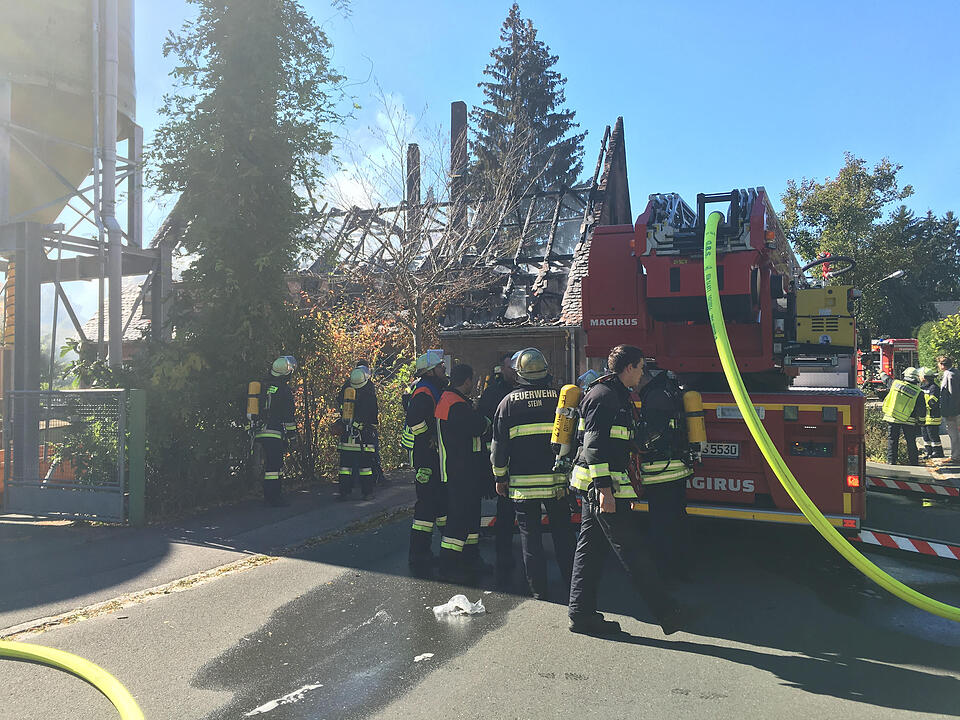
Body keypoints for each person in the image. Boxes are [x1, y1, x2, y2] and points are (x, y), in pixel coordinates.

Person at [568, 345, 687, 636]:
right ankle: (668, 614)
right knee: (632, 550)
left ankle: (581, 614)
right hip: (600, 487)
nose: (642, 375)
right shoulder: (605, 396)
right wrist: (605, 490)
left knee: (591, 550)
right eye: (641, 368)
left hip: (598, 486)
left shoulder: (615, 394)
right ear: (629, 367)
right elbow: (594, 447)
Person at [490, 348, 575, 600]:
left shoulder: (507, 404)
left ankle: (538, 589)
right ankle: (573, 584)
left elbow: (499, 446)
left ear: (519, 374)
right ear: (546, 371)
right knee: (563, 534)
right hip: (557, 482)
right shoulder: (560, 399)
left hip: (523, 486)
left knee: (531, 537)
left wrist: (500, 477)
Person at [635, 366, 695, 579]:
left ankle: (665, 573)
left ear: (642, 375)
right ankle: (682, 569)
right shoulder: (668, 389)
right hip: (676, 468)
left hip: (661, 470)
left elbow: (653, 435)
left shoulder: (655, 396)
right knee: (677, 521)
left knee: (662, 525)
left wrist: (635, 443)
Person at [437, 364, 489, 583]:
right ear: (466, 381)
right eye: (471, 381)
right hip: (460, 470)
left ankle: (470, 557)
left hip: (462, 469)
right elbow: (477, 427)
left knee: (469, 517)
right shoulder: (456, 404)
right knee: (459, 519)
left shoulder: (451, 400)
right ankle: (449, 563)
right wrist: (485, 420)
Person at [404, 350, 448, 575]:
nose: (444, 369)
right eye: (440, 366)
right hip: (426, 458)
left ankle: (440, 552)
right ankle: (418, 554)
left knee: (438, 504)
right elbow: (415, 421)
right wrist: (428, 437)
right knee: (426, 507)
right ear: (430, 370)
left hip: (432, 458)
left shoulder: (432, 387)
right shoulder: (424, 391)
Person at [477, 353, 519, 581]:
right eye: (509, 366)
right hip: (503, 463)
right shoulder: (492, 394)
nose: (513, 370)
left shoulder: (525, 392)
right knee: (505, 512)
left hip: (526, 463)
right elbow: (485, 429)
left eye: (516, 366)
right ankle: (504, 555)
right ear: (502, 369)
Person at [254, 356, 298, 507]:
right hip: (274, 432)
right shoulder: (284, 390)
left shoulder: (262, 385)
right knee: (274, 466)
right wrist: (292, 436)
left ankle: (269, 494)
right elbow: (288, 415)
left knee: (269, 466)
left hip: (258, 431)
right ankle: (274, 497)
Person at [336, 366, 379, 500]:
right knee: (365, 467)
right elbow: (373, 416)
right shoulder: (369, 394)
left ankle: (344, 492)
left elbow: (340, 407)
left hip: (346, 436)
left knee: (345, 467)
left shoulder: (345, 391)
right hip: (363, 437)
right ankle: (367, 493)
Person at [881, 366, 925, 466]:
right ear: (916, 378)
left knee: (892, 440)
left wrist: (881, 372)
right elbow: (921, 409)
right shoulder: (918, 392)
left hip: (893, 418)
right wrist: (922, 422)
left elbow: (886, 379)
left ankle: (891, 461)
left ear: (905, 375)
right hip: (908, 420)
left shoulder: (896, 384)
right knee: (911, 442)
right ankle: (914, 462)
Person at [918, 367, 944, 460]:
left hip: (932, 416)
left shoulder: (934, 388)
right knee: (925, 436)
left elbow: (933, 402)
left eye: (920, 375)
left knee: (933, 435)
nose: (919, 377)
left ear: (924, 377)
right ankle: (929, 452)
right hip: (925, 416)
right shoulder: (922, 387)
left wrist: (924, 403)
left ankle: (938, 452)